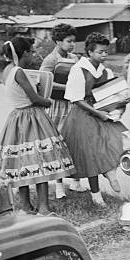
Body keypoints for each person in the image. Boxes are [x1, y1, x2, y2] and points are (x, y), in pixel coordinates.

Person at [0, 37, 76, 215]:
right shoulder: (19, 71)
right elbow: (35, 98)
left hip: (16, 118)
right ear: (24, 53)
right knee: (41, 160)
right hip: (32, 117)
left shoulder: (6, 71)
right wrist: (47, 101)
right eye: (31, 51)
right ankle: (43, 207)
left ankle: (25, 206)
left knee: (22, 163)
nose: (32, 55)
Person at [60, 33, 126, 207]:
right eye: (100, 52)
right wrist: (98, 114)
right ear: (89, 52)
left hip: (101, 111)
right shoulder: (79, 69)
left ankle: (110, 171)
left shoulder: (106, 71)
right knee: (90, 153)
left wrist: (119, 107)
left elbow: (113, 94)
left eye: (106, 51)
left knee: (117, 138)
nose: (104, 55)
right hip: (82, 115)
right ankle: (96, 194)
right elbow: (77, 99)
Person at [40, 23, 88, 198]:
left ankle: (76, 182)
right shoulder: (50, 60)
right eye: (68, 41)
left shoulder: (74, 58)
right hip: (57, 105)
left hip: (72, 104)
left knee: (74, 142)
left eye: (73, 41)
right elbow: (44, 81)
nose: (72, 44)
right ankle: (59, 185)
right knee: (58, 143)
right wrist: (68, 86)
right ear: (58, 41)